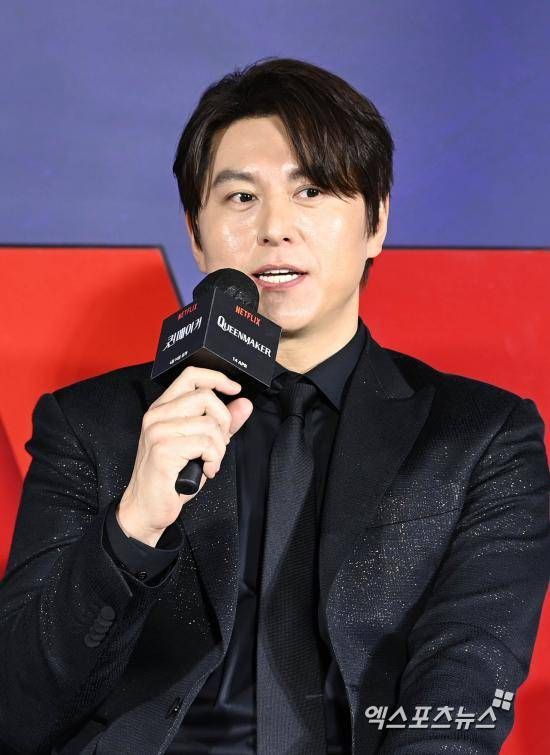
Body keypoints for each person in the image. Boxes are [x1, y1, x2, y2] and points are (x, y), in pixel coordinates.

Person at [0, 57, 549, 755]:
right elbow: (15, 711)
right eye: (240, 197)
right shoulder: (94, 425)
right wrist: (133, 525)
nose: (274, 227)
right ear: (196, 233)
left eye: (311, 190)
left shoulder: (478, 438)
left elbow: (461, 698)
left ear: (376, 221)